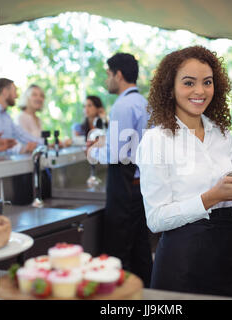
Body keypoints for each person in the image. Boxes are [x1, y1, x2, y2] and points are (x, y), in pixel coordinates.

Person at [136, 46, 232, 298]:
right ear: (170, 89)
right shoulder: (156, 140)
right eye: (188, 83)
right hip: (181, 263)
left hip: (225, 257)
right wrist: (211, 197)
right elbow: (156, 220)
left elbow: (224, 207)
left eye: (207, 82)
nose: (200, 91)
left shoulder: (222, 134)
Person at [87, 53, 153, 287]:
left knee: (118, 252)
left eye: (108, 74)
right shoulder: (144, 103)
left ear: (119, 74)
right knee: (140, 250)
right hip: (140, 186)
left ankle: (119, 299)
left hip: (124, 186)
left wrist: (93, 153)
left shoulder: (123, 105)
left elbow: (118, 155)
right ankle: (148, 296)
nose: (107, 80)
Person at [0, 78, 44, 154]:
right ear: (5, 92)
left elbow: (22, 135)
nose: (17, 96)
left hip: (5, 162)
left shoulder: (6, 117)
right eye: (14, 91)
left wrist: (47, 143)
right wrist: (23, 149)